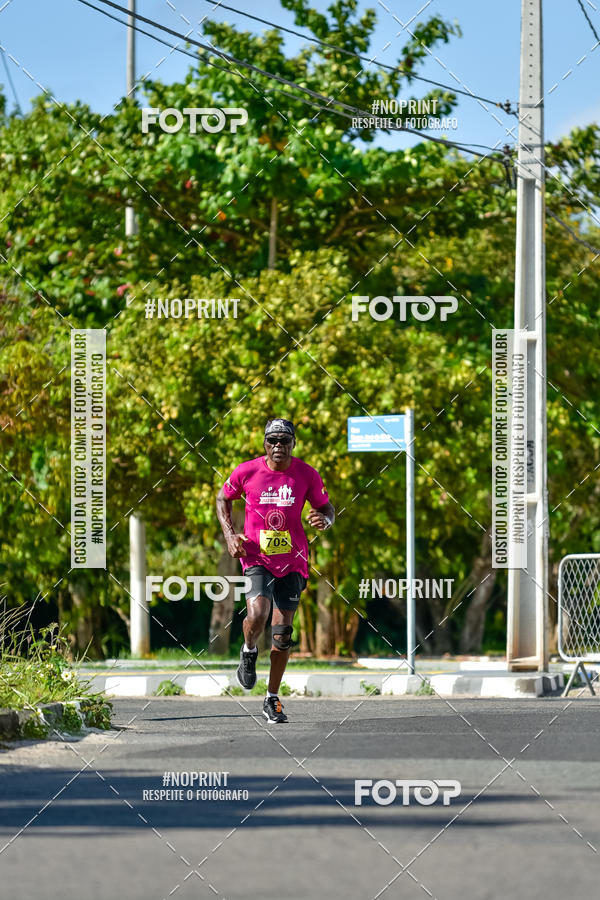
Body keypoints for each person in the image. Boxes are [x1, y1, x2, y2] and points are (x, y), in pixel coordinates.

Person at [216, 418, 335, 723]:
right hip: (256, 556)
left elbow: (327, 507)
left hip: (294, 561)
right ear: (264, 444)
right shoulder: (247, 471)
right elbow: (222, 498)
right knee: (257, 614)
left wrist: (326, 520)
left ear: (293, 443)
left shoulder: (306, 474)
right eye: (273, 441)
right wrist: (230, 535)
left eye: (285, 440)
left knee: (282, 634)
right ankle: (248, 649)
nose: (278, 446)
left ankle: (272, 698)